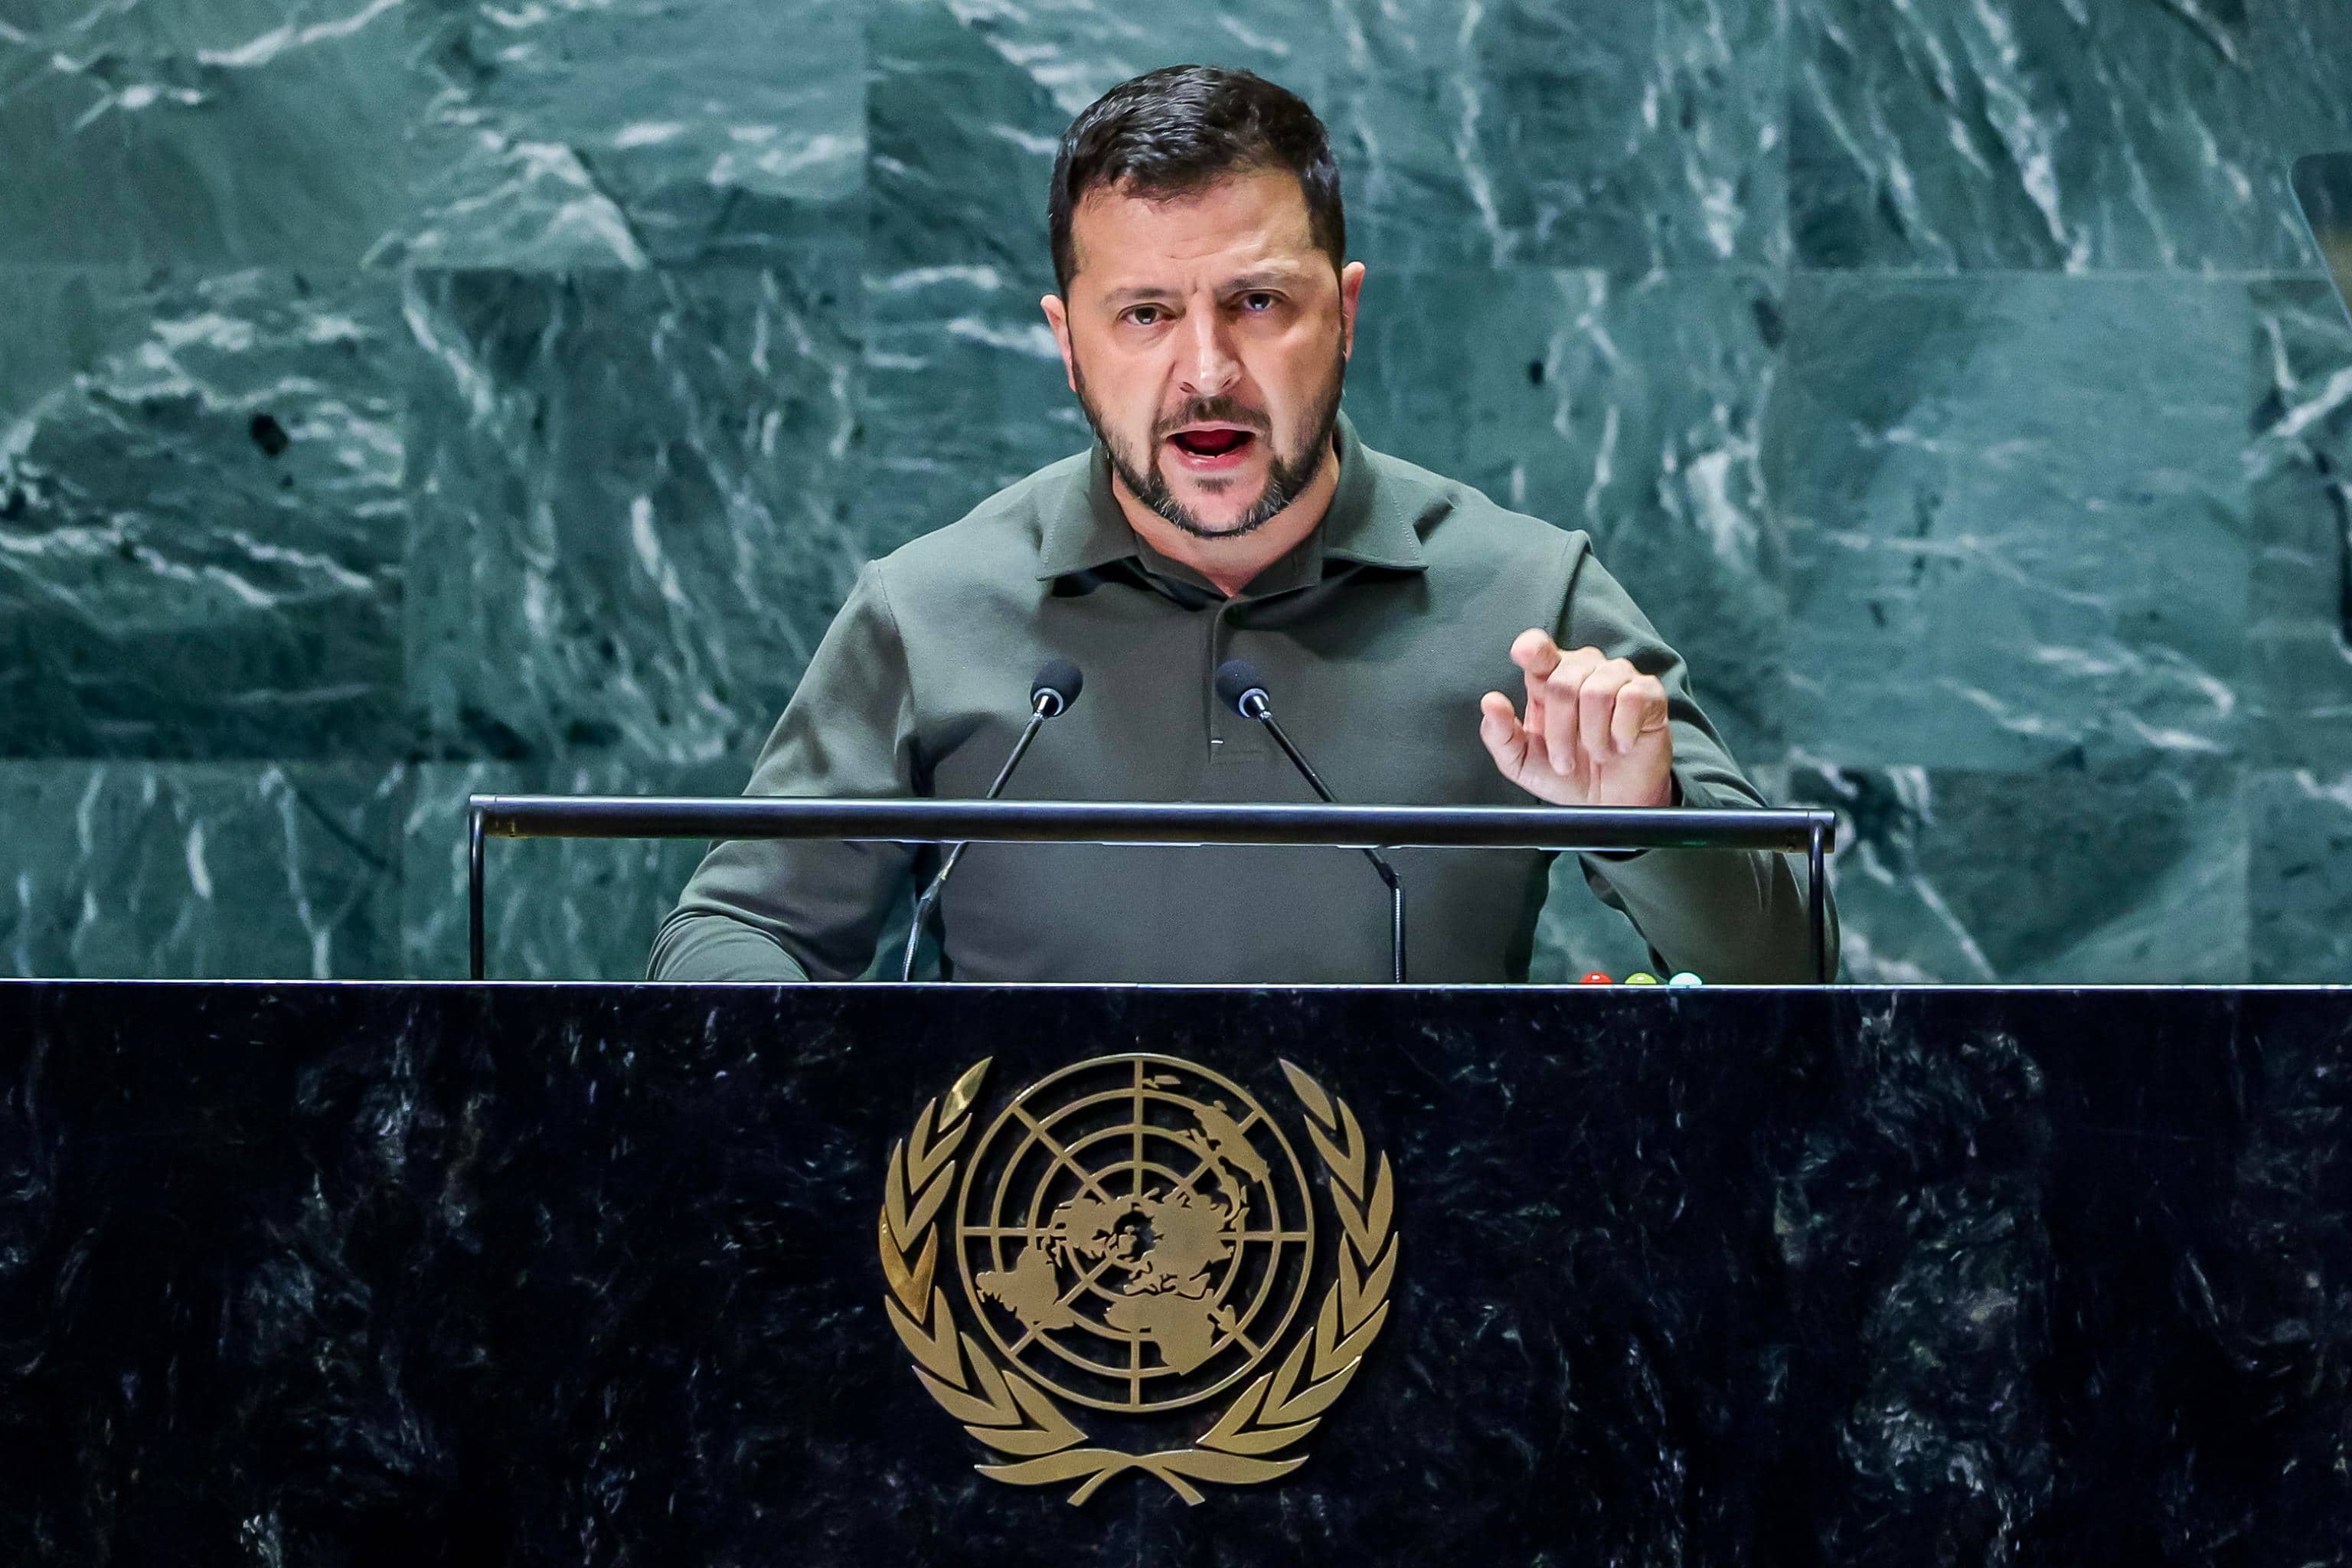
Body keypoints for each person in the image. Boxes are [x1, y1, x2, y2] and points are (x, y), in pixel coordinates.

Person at [649, 64, 1834, 985]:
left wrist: (1648, 821)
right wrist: (824, 1069)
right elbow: (737, 932)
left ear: (1346, 314)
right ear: (1067, 343)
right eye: (1146, 315)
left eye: (1258, 302)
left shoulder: (1531, 600)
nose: (1206, 372)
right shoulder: (929, 609)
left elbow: (1792, 966)